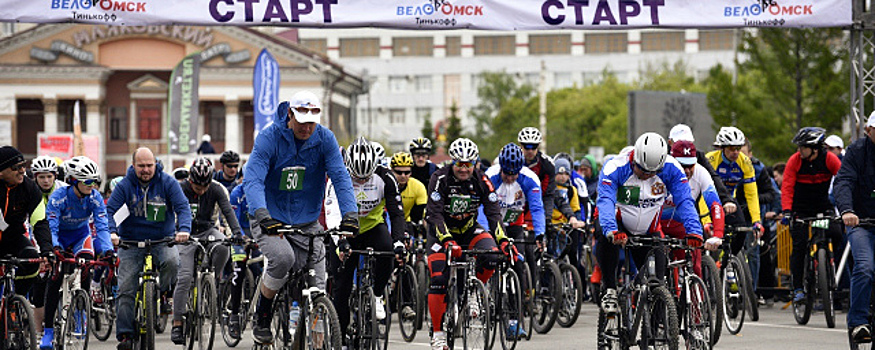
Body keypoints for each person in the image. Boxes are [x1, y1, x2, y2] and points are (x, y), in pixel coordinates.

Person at [242, 91, 358, 344]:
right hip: (270, 217)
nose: (307, 127)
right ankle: (262, 314)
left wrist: (350, 215)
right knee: (283, 258)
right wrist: (263, 215)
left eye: (312, 122)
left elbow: (340, 177)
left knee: (318, 281)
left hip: (306, 221)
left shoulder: (325, 138)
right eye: (302, 121)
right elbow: (253, 179)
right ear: (290, 114)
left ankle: (318, 340)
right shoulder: (269, 138)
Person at [596, 133, 703, 315]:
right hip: (619, 224)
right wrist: (611, 230)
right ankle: (610, 290)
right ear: (634, 159)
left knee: (657, 285)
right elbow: (605, 200)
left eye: (653, 172)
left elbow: (685, 200)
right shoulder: (615, 167)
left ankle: (657, 329)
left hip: (649, 229)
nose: (647, 176)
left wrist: (694, 231)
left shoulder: (671, 169)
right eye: (643, 170)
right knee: (603, 234)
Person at [106, 147, 191, 350]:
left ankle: (164, 293)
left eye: (149, 165)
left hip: (163, 239)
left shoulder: (168, 182)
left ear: (156, 164)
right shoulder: (125, 185)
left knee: (172, 261)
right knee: (125, 288)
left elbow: (183, 207)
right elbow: (110, 210)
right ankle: (125, 335)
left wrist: (184, 229)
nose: (145, 170)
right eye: (141, 166)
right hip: (131, 242)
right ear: (133, 166)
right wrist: (112, 233)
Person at [426, 138, 505, 350]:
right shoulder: (439, 178)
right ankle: (438, 333)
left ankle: (473, 293)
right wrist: (447, 240)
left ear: (475, 163)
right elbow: (433, 214)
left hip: (468, 229)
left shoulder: (481, 179)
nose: (463, 168)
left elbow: (493, 212)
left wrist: (503, 239)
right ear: (452, 162)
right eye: (459, 164)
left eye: (468, 164)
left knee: (493, 256)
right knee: (439, 279)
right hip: (441, 234)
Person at [334, 138, 406, 345]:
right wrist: (341, 239)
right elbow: (331, 211)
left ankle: (375, 296)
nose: (363, 181)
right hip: (346, 229)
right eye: (358, 176)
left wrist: (399, 241)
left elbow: (396, 213)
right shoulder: (341, 177)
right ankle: (341, 333)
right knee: (342, 286)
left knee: (388, 252)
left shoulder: (387, 178)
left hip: (372, 226)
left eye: (367, 176)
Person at [41, 156, 113, 350]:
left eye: (95, 181)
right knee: (55, 278)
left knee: (87, 267)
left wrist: (108, 250)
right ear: (73, 180)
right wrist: (54, 247)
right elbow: (51, 227)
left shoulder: (95, 197)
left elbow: (102, 226)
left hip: (81, 236)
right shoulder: (59, 197)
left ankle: (81, 311)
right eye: (87, 181)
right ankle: (47, 331)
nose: (93, 185)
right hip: (60, 237)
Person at [479, 143, 545, 339]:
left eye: (513, 174)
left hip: (515, 223)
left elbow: (537, 209)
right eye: (506, 173)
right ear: (500, 167)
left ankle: (515, 320)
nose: (509, 177)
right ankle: (486, 293)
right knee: (489, 255)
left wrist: (540, 234)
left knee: (518, 263)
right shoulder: (489, 177)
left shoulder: (530, 179)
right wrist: (487, 233)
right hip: (492, 222)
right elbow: (482, 211)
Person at [171, 157, 239, 343]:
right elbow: (171, 212)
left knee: (224, 244)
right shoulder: (181, 189)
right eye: (197, 187)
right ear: (190, 180)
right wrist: (173, 233)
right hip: (185, 234)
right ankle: (177, 323)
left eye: (205, 186)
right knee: (184, 277)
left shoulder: (216, 189)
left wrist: (238, 233)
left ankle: (212, 280)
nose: (201, 190)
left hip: (208, 230)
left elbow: (228, 212)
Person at [780, 127, 843, 304]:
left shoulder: (830, 159)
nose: (799, 151)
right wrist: (786, 211)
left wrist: (847, 206)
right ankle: (798, 287)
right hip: (799, 209)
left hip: (822, 206)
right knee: (799, 245)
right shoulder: (795, 161)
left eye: (803, 147)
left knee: (837, 233)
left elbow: (843, 179)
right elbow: (787, 187)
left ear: (815, 148)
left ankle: (826, 262)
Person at [835, 113, 875, 343]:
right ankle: (858, 322)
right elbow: (844, 182)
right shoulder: (856, 152)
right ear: (869, 130)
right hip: (860, 222)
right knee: (865, 266)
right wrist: (847, 211)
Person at [660, 141, 724, 276]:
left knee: (695, 267)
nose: (687, 171)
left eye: (691, 165)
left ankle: (696, 295)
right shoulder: (662, 170)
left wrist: (717, 234)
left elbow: (715, 205)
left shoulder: (701, 173)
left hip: (682, 224)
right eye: (683, 166)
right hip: (658, 224)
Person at [706, 127, 765, 257]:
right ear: (722, 148)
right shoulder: (710, 159)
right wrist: (706, 220)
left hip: (730, 202)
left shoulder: (744, 162)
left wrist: (757, 221)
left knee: (741, 230)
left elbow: (751, 194)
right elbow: (703, 189)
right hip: (709, 200)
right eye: (732, 149)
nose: (736, 152)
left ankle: (729, 260)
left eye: (738, 148)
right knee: (707, 232)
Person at [0, 146, 49, 300]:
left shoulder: (30, 187)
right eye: (16, 167)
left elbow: (40, 221)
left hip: (13, 237)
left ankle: (16, 301)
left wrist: (47, 249)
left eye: (23, 165)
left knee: (32, 260)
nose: (22, 171)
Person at [29, 155, 66, 332]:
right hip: (37, 237)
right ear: (35, 177)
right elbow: (28, 224)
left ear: (55, 176)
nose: (45, 180)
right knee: (40, 282)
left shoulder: (63, 190)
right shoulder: (29, 191)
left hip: (62, 237)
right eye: (41, 176)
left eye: (49, 176)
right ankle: (37, 330)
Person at [668, 123, 737, 216]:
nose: (684, 146)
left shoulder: (698, 155)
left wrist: (726, 199)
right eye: (679, 142)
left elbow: (713, 177)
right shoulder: (663, 157)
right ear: (670, 143)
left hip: (691, 204)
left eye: (688, 142)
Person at [517, 127, 556, 229]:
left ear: (538, 146)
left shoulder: (547, 165)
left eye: (533, 147)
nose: (530, 151)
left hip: (536, 200)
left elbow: (548, 195)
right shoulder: (512, 161)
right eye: (526, 147)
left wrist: (547, 218)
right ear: (521, 146)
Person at [390, 152, 427, 229]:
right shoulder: (384, 184)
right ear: (391, 171)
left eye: (407, 172)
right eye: (399, 172)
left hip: (406, 221)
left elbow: (422, 211)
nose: (403, 176)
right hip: (387, 221)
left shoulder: (418, 186)